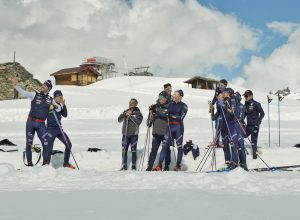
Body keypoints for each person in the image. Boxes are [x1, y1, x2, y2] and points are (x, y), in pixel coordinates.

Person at [10, 78, 53, 166]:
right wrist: (15, 85)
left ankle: (45, 163)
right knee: (29, 143)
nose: (42, 86)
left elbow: (58, 108)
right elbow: (23, 92)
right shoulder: (34, 95)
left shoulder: (50, 100)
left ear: (48, 89)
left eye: (45, 85)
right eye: (43, 84)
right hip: (31, 123)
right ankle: (29, 163)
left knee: (46, 143)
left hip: (41, 125)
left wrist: (56, 107)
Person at [154, 90, 188, 171]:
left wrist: (170, 115)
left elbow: (181, 117)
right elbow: (164, 114)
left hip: (178, 127)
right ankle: (159, 165)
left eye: (175, 95)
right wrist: (155, 110)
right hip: (170, 126)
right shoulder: (170, 104)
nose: (173, 96)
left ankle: (178, 165)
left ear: (180, 96)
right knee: (164, 146)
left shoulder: (184, 106)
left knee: (179, 146)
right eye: (173, 94)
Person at [43, 90, 75, 169]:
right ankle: (46, 166)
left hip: (59, 129)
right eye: (60, 97)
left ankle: (66, 163)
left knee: (69, 144)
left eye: (62, 97)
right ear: (55, 97)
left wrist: (64, 105)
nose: (61, 98)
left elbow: (65, 115)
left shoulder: (60, 105)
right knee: (48, 148)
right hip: (50, 130)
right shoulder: (50, 104)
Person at [146, 91, 171, 171]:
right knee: (153, 151)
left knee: (167, 151)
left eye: (163, 98)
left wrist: (156, 110)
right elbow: (149, 122)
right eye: (160, 98)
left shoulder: (169, 106)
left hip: (166, 133)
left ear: (166, 99)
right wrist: (150, 115)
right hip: (156, 133)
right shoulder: (154, 107)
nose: (161, 99)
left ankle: (166, 166)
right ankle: (149, 167)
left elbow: (164, 114)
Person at [118, 98, 143, 170]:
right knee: (124, 149)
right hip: (125, 134)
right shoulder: (126, 111)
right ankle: (124, 165)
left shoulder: (138, 113)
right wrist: (124, 114)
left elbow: (138, 122)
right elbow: (119, 120)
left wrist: (131, 116)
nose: (131, 105)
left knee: (133, 150)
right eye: (130, 103)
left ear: (135, 105)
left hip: (134, 135)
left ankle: (134, 165)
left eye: (132, 103)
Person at [243, 90, 265, 159]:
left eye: (246, 96)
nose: (245, 98)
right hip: (248, 126)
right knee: (241, 136)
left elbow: (262, 113)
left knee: (253, 142)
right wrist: (241, 121)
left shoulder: (256, 104)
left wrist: (258, 122)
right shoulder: (246, 104)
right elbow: (244, 115)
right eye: (244, 96)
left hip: (254, 126)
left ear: (251, 96)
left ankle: (255, 158)